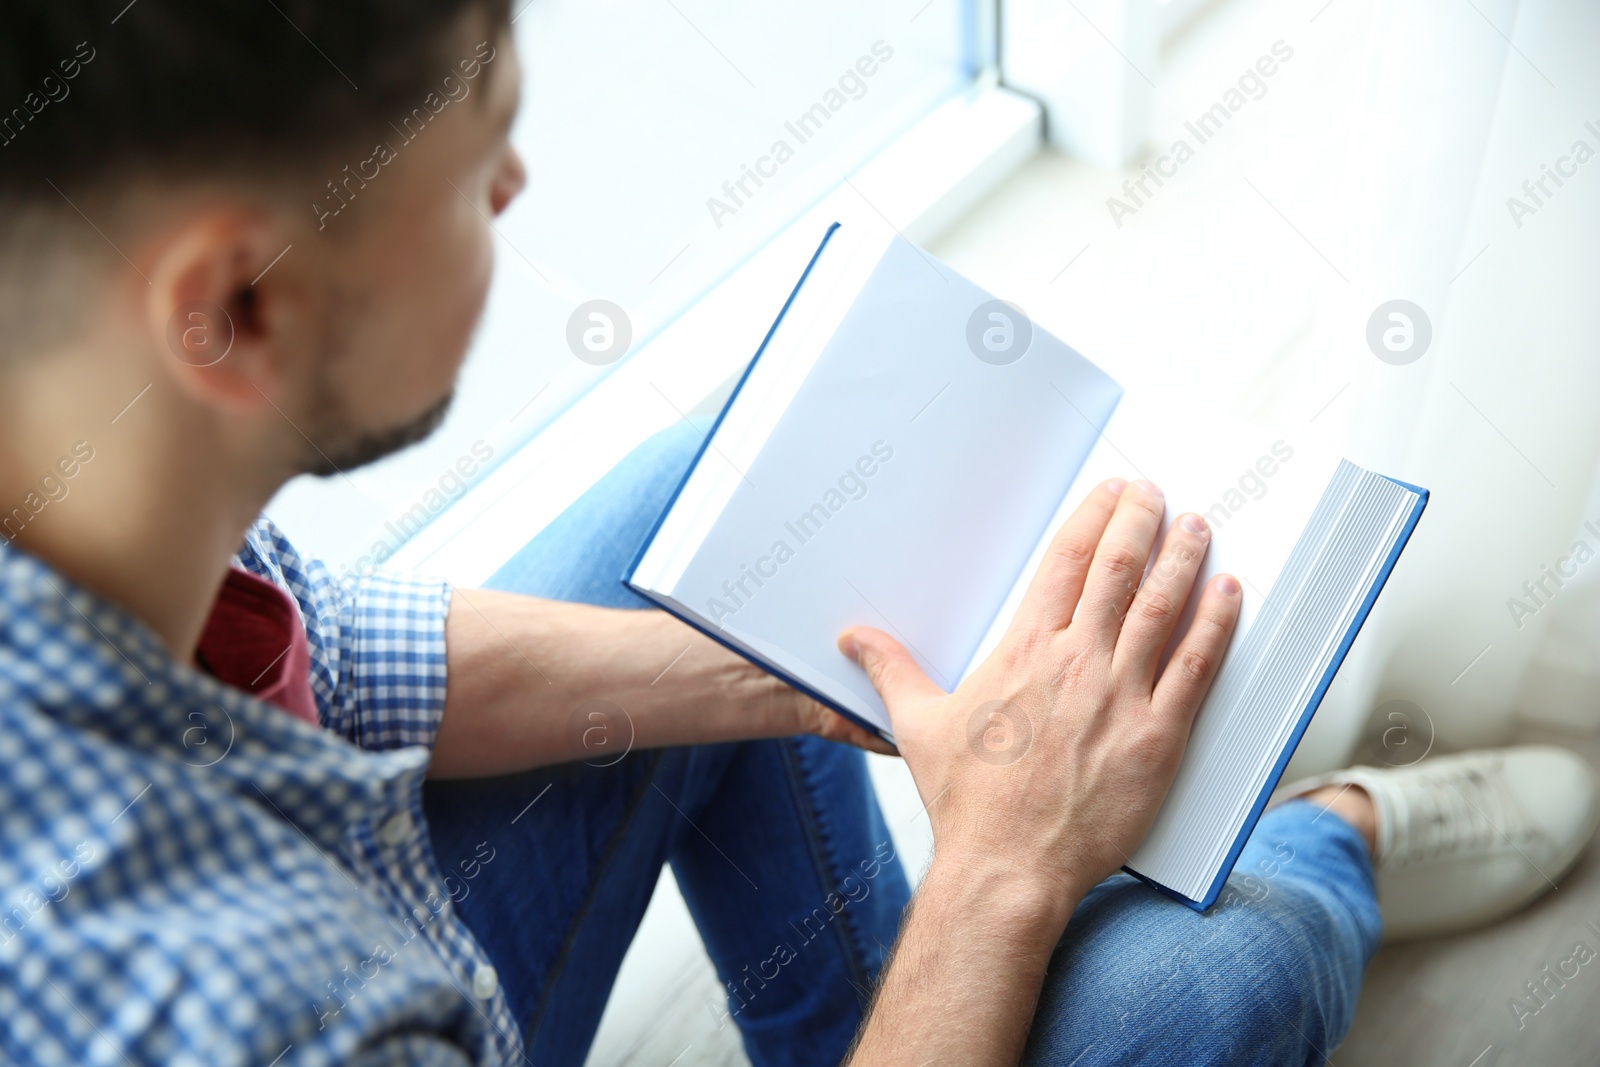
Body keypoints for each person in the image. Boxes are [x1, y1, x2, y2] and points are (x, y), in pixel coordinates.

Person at [0, 4, 1593, 1065]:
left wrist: (829, 672)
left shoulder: (80, 462)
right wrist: (1000, 873)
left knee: (742, 531)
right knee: (1207, 976)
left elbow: (317, 656)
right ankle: (1342, 836)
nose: (517, 185)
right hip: (378, 980)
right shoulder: (275, 1012)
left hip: (348, 893)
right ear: (238, 302)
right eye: (480, 151)